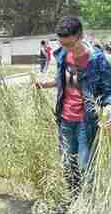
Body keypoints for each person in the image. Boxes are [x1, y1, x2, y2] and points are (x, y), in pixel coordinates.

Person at [36, 16, 111, 199]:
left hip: (86, 120)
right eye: (63, 44)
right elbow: (64, 80)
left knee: (85, 164)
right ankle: (75, 197)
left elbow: (108, 91)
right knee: (67, 162)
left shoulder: (97, 59)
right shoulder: (62, 54)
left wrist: (109, 111)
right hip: (65, 118)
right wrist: (47, 84)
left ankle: (89, 200)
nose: (68, 49)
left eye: (71, 44)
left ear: (80, 35)